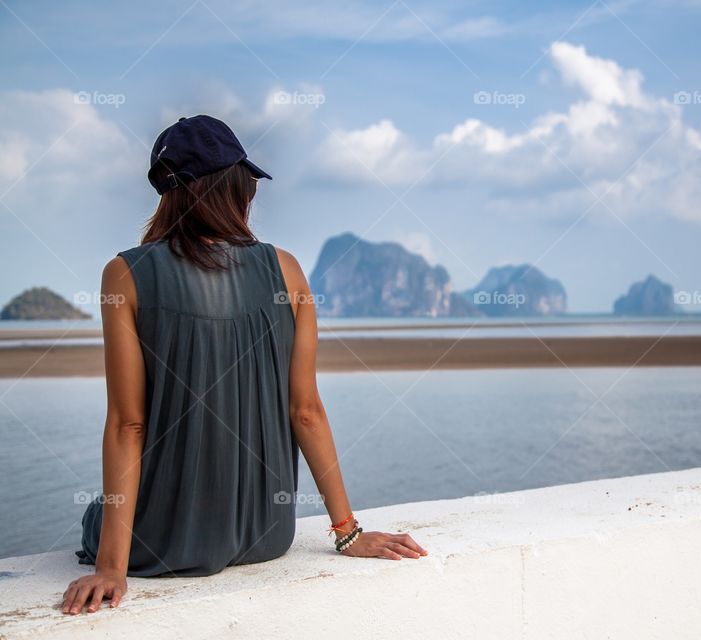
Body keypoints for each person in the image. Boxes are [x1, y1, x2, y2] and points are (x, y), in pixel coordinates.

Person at [61, 115, 427, 615]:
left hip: (161, 544)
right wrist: (348, 533)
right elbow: (307, 412)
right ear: (237, 187)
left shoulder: (124, 273)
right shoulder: (287, 269)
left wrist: (109, 569)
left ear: (167, 194)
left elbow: (128, 424)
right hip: (266, 533)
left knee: (94, 513)